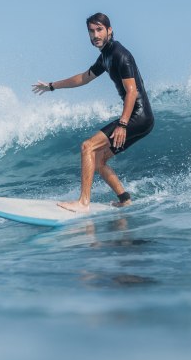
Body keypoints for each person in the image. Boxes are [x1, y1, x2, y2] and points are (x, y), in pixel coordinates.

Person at [32, 13, 154, 213]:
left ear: (109, 30)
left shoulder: (119, 54)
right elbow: (83, 78)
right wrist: (52, 86)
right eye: (91, 31)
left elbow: (132, 91)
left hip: (137, 116)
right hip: (141, 118)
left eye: (99, 29)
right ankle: (124, 199)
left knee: (87, 147)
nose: (95, 34)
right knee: (98, 159)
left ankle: (83, 203)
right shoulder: (105, 56)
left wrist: (123, 124)